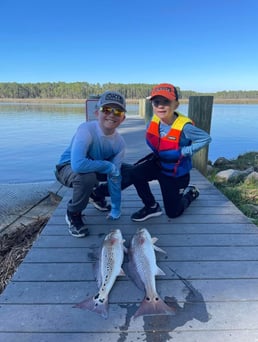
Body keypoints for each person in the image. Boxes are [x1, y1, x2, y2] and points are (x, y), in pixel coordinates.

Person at [129, 82, 212, 221]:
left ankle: (190, 193)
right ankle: (151, 206)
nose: (160, 106)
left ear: (176, 105)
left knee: (173, 213)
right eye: (156, 102)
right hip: (159, 164)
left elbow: (206, 138)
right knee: (134, 173)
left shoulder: (185, 127)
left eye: (166, 102)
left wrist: (186, 151)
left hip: (176, 173)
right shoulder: (153, 121)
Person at [55, 90, 127, 237]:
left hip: (92, 167)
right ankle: (73, 213)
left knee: (127, 171)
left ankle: (95, 194)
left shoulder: (120, 143)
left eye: (118, 111)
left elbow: (114, 176)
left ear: (123, 118)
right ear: (97, 113)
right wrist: (108, 166)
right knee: (86, 178)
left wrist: (115, 208)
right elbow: (78, 165)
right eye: (106, 109)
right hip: (67, 167)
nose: (112, 114)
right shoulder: (86, 129)